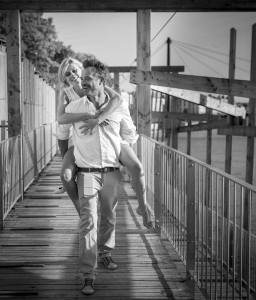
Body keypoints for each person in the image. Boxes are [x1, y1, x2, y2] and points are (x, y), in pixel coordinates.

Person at [56, 57, 153, 229]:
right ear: (64, 79)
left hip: (110, 138)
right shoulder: (67, 95)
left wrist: (101, 117)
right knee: (65, 174)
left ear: (82, 71)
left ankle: (143, 206)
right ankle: (83, 211)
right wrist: (68, 160)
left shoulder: (99, 85)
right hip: (80, 141)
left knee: (137, 167)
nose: (73, 76)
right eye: (67, 74)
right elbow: (61, 121)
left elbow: (117, 99)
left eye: (75, 71)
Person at [65, 59, 126, 295]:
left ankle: (106, 253)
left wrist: (129, 158)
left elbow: (128, 131)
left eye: (89, 77)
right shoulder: (76, 107)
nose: (83, 80)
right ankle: (87, 275)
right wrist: (66, 165)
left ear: (101, 80)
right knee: (88, 223)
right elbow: (61, 129)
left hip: (111, 172)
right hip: (87, 173)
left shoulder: (118, 105)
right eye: (83, 77)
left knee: (109, 217)